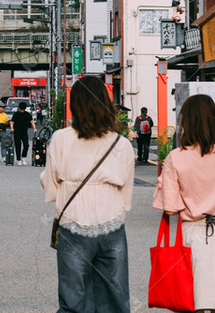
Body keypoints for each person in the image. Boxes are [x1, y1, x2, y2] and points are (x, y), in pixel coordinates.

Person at [41, 75, 135, 313]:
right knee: (114, 298)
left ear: (75, 105)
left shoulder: (61, 139)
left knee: (73, 300)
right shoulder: (121, 143)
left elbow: (51, 186)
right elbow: (126, 194)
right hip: (111, 223)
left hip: (73, 223)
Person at [154, 93, 215, 313]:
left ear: (186, 122)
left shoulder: (175, 157)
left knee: (190, 298)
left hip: (192, 236)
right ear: (214, 119)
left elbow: (170, 208)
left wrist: (163, 184)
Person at [12, 101, 34, 165]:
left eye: (23, 109)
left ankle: (23, 157)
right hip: (16, 131)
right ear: (19, 108)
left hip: (24, 131)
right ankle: (19, 160)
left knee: (26, 145)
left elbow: (32, 121)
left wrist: (34, 128)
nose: (22, 111)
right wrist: (12, 128)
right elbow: (12, 122)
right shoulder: (16, 114)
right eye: (21, 109)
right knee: (18, 145)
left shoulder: (27, 114)